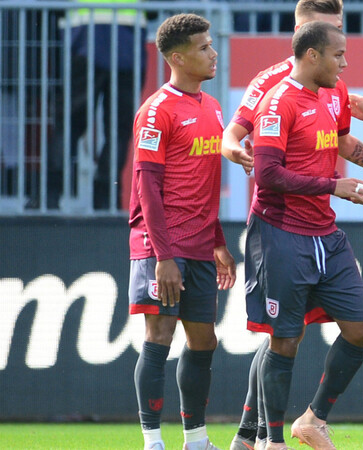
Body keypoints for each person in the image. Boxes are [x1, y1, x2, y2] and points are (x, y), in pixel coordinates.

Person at [221, 2, 363, 449]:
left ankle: (313, 417)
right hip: (281, 232)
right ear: (312, 53)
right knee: (284, 339)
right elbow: (266, 174)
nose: (345, 62)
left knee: (361, 327)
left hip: (325, 233)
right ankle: (269, 440)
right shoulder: (276, 99)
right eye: (338, 52)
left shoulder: (335, 91)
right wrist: (333, 185)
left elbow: (343, 143)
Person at [128, 13, 236, 450]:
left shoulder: (211, 106)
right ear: (177, 57)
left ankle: (195, 439)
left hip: (199, 243)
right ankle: (153, 441)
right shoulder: (156, 111)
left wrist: (218, 243)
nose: (213, 53)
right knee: (160, 335)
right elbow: (147, 187)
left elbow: (205, 184)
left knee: (204, 338)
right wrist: (162, 256)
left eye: (212, 44)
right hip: (162, 246)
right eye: (204, 47)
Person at [50, 0, 148, 210]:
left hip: (83, 41)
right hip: (126, 46)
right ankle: (106, 200)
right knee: (118, 130)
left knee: (70, 124)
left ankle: (49, 196)